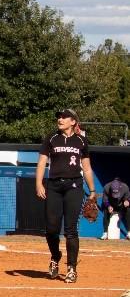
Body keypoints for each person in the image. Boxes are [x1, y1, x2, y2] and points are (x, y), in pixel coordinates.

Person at [35, 108, 98, 283]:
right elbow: (41, 163)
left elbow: (86, 167)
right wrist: (39, 183)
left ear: (73, 121)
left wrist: (92, 191)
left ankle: (71, 268)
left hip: (74, 186)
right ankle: (55, 256)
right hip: (54, 186)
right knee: (51, 229)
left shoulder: (81, 141)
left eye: (64, 117)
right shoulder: (51, 139)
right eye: (59, 117)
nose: (60, 119)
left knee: (71, 230)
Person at [102, 176, 129, 240]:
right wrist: (108, 206)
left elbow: (128, 198)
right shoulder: (106, 187)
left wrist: (127, 201)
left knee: (128, 210)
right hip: (111, 205)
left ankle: (129, 232)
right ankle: (105, 233)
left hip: (121, 205)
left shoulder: (125, 187)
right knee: (105, 210)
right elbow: (105, 200)